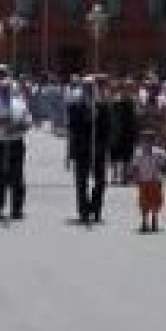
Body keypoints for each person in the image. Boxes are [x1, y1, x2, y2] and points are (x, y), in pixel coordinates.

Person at [0, 77, 33, 221]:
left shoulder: (20, 105)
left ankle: (16, 209)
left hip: (15, 143)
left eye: (7, 89)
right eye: (2, 89)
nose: (5, 91)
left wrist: (15, 127)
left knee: (17, 177)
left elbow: (28, 123)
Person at [66, 77, 112, 224]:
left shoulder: (103, 106)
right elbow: (72, 128)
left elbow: (107, 129)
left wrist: (105, 147)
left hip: (98, 149)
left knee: (100, 181)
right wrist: (86, 118)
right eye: (86, 87)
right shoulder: (75, 106)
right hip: (82, 149)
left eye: (92, 86)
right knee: (82, 182)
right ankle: (83, 211)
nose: (89, 89)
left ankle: (96, 208)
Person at [129, 129, 166, 233]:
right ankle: (144, 221)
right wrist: (135, 176)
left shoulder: (159, 152)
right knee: (143, 201)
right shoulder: (138, 153)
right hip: (143, 180)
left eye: (150, 139)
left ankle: (155, 219)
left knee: (156, 201)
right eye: (145, 139)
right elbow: (135, 166)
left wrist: (164, 173)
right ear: (141, 140)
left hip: (155, 180)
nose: (147, 141)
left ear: (154, 140)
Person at [108, 78, 140, 186]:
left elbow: (136, 117)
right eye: (126, 87)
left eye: (130, 87)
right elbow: (112, 117)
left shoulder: (133, 101)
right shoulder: (115, 101)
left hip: (129, 131)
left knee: (127, 155)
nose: (128, 89)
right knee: (115, 155)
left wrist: (136, 131)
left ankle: (124, 177)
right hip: (117, 131)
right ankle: (114, 175)